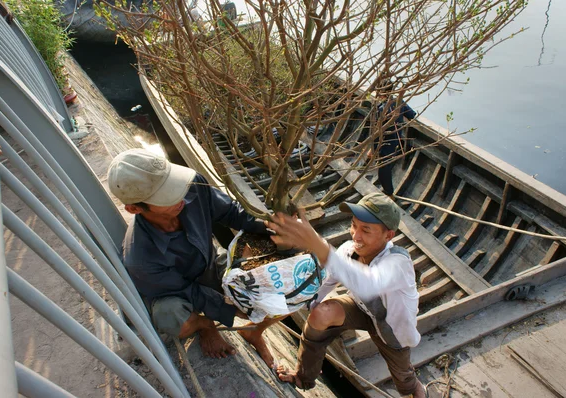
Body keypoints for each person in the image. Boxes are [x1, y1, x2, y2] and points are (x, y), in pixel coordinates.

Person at [107, 149, 279, 366]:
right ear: (134, 209)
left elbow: (232, 213)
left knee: (270, 278)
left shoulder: (192, 186)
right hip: (174, 293)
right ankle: (203, 324)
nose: (180, 195)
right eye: (166, 196)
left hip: (207, 264)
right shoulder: (140, 259)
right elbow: (188, 291)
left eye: (173, 184)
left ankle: (254, 333)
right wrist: (227, 310)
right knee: (171, 317)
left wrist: (271, 228)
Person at [267, 192, 426, 398]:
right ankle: (303, 376)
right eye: (354, 225)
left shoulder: (398, 263)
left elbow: (368, 283)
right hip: (361, 308)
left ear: (389, 236)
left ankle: (415, 389)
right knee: (320, 314)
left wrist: (318, 245)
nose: (356, 235)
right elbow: (329, 280)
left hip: (392, 329)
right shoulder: (349, 250)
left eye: (366, 230)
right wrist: (302, 301)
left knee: (404, 378)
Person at [371, 84, 417, 197]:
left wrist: (373, 149)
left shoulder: (382, 108)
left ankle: (388, 192)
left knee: (383, 169)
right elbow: (412, 115)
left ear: (383, 93)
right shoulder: (399, 102)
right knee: (385, 167)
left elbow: (376, 131)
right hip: (395, 141)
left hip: (385, 142)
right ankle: (388, 191)